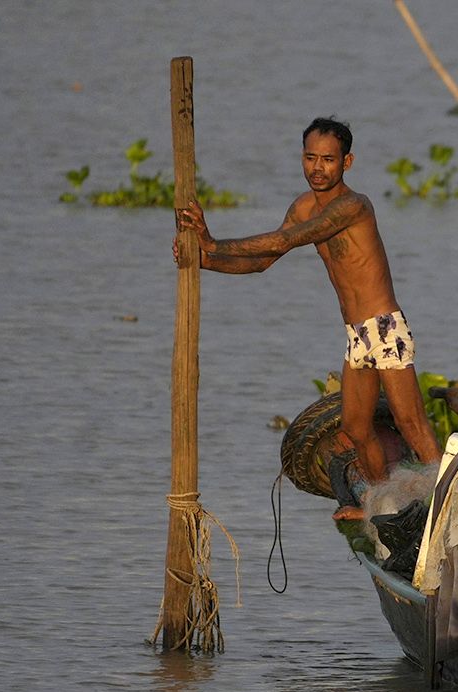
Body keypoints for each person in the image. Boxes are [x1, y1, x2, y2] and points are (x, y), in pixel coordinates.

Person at [174, 117, 439, 521]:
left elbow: (287, 240)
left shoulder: (354, 205)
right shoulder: (301, 206)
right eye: (311, 157)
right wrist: (206, 261)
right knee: (355, 428)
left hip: (384, 327)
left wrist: (213, 240)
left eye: (328, 160)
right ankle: (378, 506)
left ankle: (447, 501)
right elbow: (264, 261)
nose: (318, 167)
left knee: (411, 424)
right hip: (356, 333)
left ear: (346, 162)